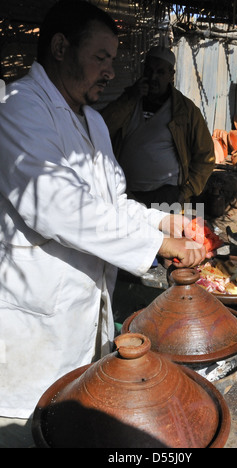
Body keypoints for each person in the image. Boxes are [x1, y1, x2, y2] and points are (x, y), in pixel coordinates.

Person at [0, 1, 209, 447]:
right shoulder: (16, 108)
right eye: (101, 58)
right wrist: (157, 246)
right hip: (34, 331)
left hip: (82, 317)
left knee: (73, 423)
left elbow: (113, 203)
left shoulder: (92, 121)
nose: (111, 72)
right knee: (28, 432)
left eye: (113, 60)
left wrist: (163, 222)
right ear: (60, 47)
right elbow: (54, 206)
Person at [101, 46, 215, 208]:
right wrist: (129, 98)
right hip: (126, 194)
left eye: (160, 72)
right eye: (149, 70)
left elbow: (205, 155)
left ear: (171, 75)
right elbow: (102, 128)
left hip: (166, 196)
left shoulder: (185, 111)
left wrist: (186, 191)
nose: (153, 77)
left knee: (164, 234)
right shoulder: (130, 100)